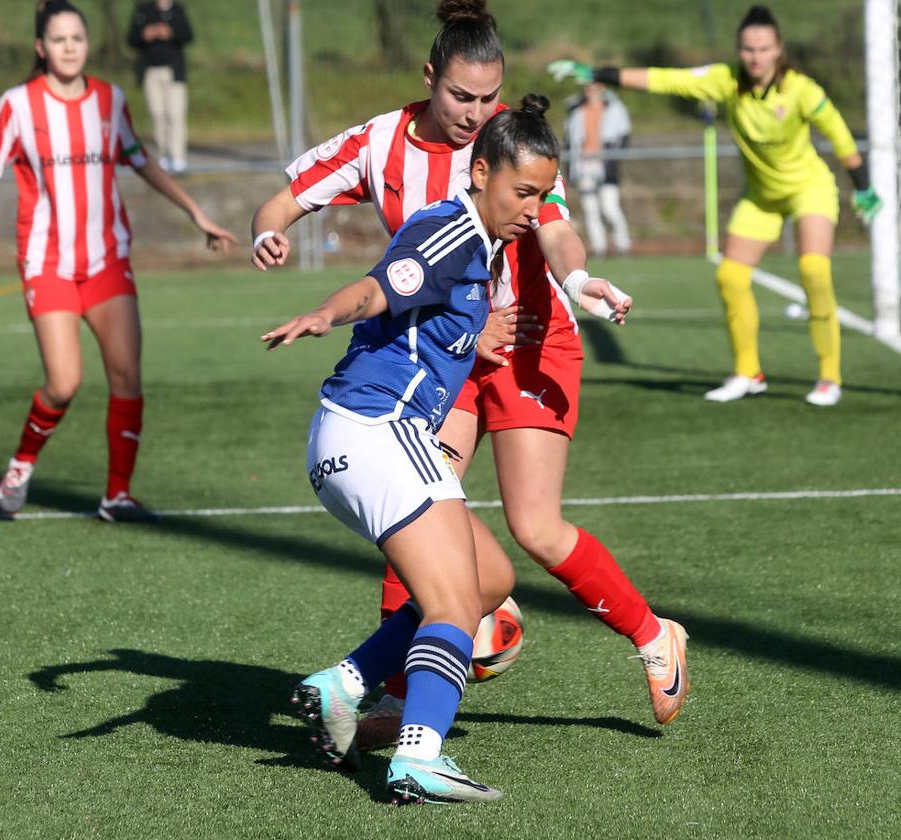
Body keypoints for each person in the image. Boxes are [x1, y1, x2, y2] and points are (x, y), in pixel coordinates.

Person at [253, 0, 688, 750]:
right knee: (416, 517)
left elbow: (554, 225)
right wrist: (269, 231)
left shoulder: (509, 145)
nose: (477, 113)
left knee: (534, 526)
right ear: (430, 79)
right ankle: (392, 699)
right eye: (462, 97)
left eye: (491, 98)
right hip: (445, 356)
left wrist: (580, 280)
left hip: (526, 342)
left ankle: (654, 637)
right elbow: (286, 197)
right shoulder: (380, 141)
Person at [262, 99, 561, 804]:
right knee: (455, 599)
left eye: (544, 196)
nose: (533, 209)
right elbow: (379, 287)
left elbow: (425, 323)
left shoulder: (479, 246)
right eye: (523, 193)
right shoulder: (450, 231)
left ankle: (346, 685)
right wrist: (323, 314)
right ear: (481, 172)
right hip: (375, 431)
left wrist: (473, 338)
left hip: (363, 437)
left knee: (487, 577)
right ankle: (419, 757)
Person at [0, 0, 234, 522]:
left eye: (77, 38)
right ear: (41, 48)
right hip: (47, 261)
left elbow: (141, 160)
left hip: (107, 261)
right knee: (64, 382)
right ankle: (22, 462)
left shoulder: (109, 99)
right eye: (59, 40)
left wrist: (195, 212)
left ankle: (116, 495)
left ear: (87, 44)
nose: (69, 47)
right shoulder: (19, 104)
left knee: (127, 376)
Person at [550, 4, 883, 407]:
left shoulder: (802, 89)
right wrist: (602, 75)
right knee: (730, 276)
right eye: (747, 49)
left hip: (809, 189)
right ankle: (749, 373)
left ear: (778, 50)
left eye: (763, 49)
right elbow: (666, 79)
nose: (755, 57)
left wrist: (862, 186)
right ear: (739, 50)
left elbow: (841, 136)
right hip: (761, 196)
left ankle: (829, 377)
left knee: (814, 269)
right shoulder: (725, 81)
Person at [563, 82, 633, 256]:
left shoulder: (614, 109)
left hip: (605, 165)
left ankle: (623, 244)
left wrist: (614, 158)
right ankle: (599, 247)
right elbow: (570, 141)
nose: (591, 91)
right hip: (584, 165)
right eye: (587, 88)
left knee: (610, 208)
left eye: (594, 87)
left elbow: (624, 136)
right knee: (590, 209)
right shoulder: (576, 111)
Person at [127, 0, 193, 173]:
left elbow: (188, 35)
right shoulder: (143, 11)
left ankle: (178, 157)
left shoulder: (178, 10)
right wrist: (144, 34)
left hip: (173, 71)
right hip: (150, 71)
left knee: (175, 114)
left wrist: (170, 32)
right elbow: (131, 38)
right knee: (157, 114)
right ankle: (163, 155)